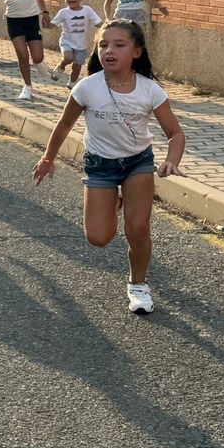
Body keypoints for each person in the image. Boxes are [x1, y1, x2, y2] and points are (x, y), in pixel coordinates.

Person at [33, 20, 186, 315]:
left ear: (137, 51)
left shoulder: (149, 90)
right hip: (99, 166)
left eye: (119, 45)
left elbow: (175, 134)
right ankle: (113, 201)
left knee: (137, 229)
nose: (109, 50)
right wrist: (48, 157)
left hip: (138, 164)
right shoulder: (87, 87)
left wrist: (172, 160)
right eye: (103, 45)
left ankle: (138, 286)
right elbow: (65, 124)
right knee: (98, 237)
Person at [49, 0, 102, 84]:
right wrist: (47, 24)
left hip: (81, 45)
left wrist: (108, 26)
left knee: (77, 66)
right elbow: (53, 24)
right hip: (67, 42)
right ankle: (61, 66)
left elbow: (98, 22)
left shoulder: (87, 10)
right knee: (68, 58)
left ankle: (72, 83)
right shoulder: (63, 12)